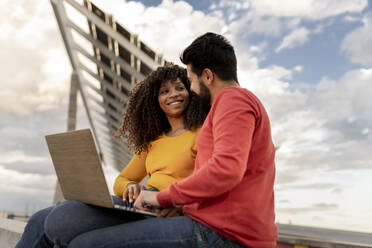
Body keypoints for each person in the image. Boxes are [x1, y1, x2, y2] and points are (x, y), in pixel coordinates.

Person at [60, 32, 278, 248]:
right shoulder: (230, 104)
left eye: (190, 81)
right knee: (73, 231)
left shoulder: (232, 100)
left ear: (208, 77)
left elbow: (226, 169)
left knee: (85, 243)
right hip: (213, 226)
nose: (192, 89)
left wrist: (161, 198)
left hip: (224, 235)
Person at [15, 63, 210, 248]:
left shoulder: (202, 133)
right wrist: (131, 186)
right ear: (155, 101)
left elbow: (210, 182)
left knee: (65, 219)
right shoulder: (153, 142)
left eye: (179, 88)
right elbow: (121, 180)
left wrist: (180, 205)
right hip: (140, 203)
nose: (173, 95)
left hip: (165, 207)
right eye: (164, 91)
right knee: (39, 219)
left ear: (190, 92)